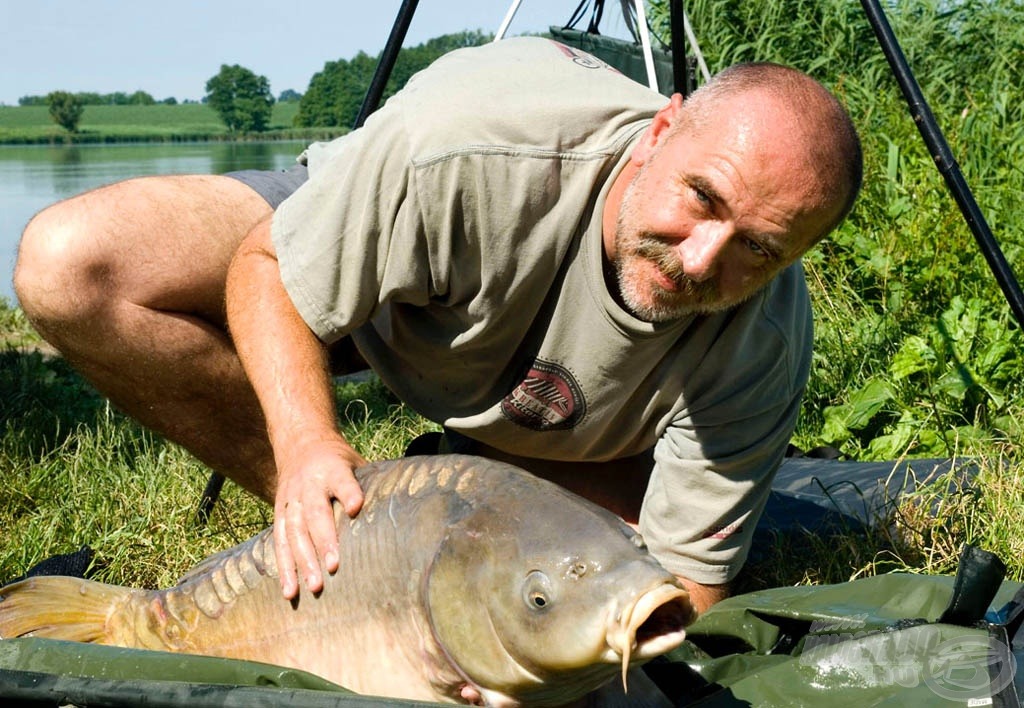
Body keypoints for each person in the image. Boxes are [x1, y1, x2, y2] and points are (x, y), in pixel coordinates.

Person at [13, 37, 861, 614]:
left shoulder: (765, 342)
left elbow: (684, 587)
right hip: (391, 296)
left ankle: (437, 501)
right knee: (71, 262)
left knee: (602, 578)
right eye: (700, 198)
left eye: (758, 247)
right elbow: (268, 267)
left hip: (543, 431)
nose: (702, 260)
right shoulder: (467, 146)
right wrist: (307, 447)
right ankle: (338, 537)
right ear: (662, 130)